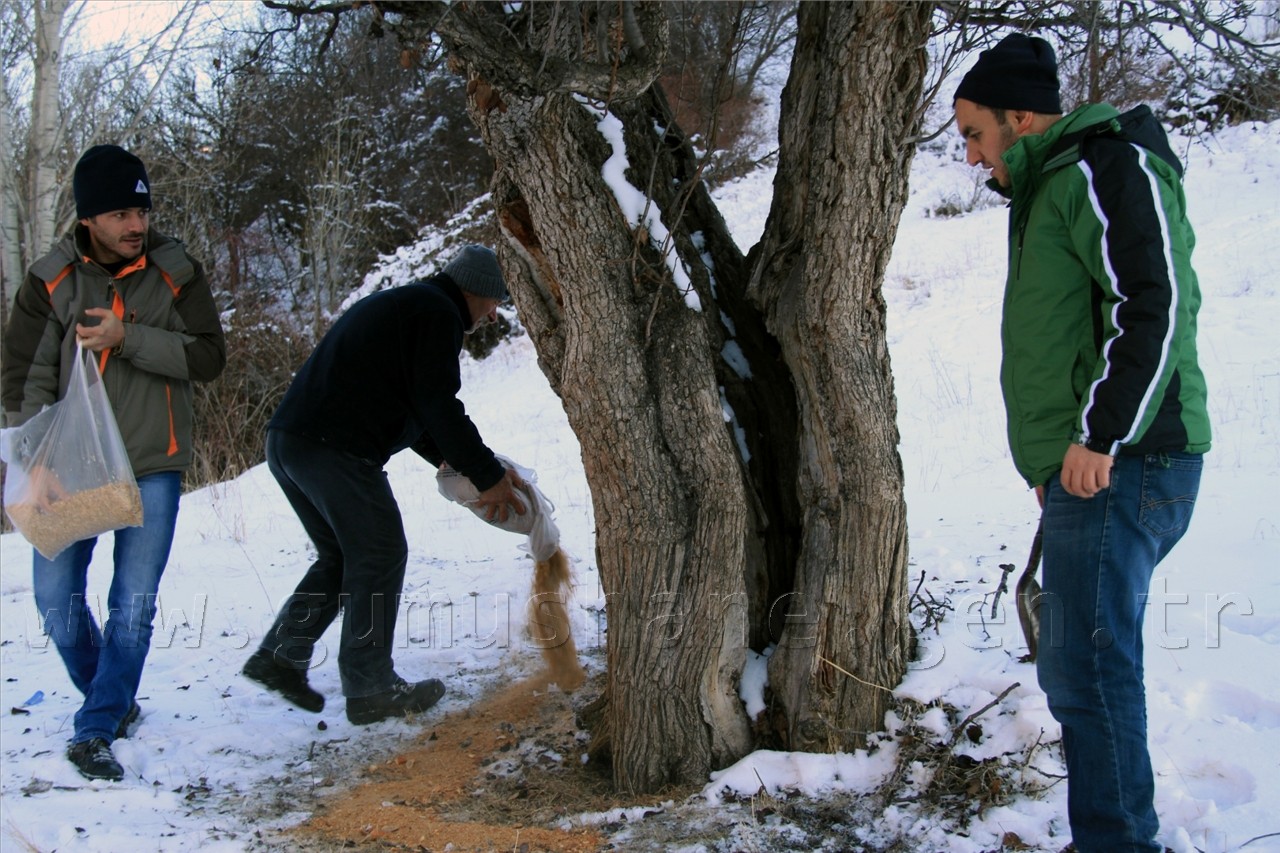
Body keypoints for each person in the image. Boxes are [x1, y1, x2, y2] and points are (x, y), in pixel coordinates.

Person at [953, 34, 1211, 851]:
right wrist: (1052, 464)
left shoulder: (1106, 168)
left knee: (1091, 673)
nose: (970, 154)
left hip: (1127, 463)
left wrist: (1099, 437)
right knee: (1081, 672)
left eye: (974, 133)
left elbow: (1155, 302)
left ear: (1020, 117)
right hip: (1092, 471)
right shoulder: (1052, 186)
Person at [1, 145, 228, 781]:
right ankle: (113, 696)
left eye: (143, 210)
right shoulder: (50, 281)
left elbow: (210, 356)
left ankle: (97, 723)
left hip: (155, 459)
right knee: (53, 598)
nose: (137, 225)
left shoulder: (175, 269)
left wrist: (129, 339)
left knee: (133, 601)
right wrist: (33, 460)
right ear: (89, 219)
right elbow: (24, 376)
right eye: (122, 213)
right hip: (70, 465)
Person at [241, 244, 527, 725]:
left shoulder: (411, 305)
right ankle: (370, 685)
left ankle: (281, 656)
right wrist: (486, 475)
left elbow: (414, 406)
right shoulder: (438, 313)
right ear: (477, 291)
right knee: (379, 552)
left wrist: (450, 462)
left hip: (290, 442)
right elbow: (439, 404)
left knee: (343, 556)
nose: (495, 315)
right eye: (496, 301)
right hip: (333, 448)